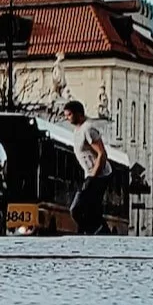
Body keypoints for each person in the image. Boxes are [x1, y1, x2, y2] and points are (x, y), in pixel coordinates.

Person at [65, 101, 109, 236]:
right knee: (90, 208)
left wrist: (93, 176)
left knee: (77, 208)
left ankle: (94, 231)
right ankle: (100, 232)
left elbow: (102, 153)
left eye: (69, 114)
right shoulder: (77, 130)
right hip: (89, 174)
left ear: (79, 113)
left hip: (99, 175)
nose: (67, 117)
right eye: (66, 115)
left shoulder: (88, 129)